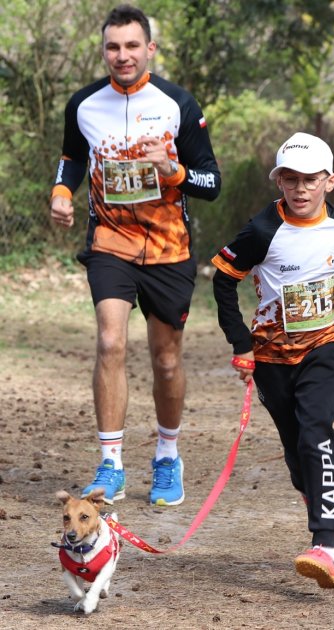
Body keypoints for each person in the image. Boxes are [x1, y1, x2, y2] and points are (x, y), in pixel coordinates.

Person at [49, 5, 221, 507]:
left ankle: (167, 456)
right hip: (110, 243)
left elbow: (210, 181)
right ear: (103, 51)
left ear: (150, 49)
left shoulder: (178, 104)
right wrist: (62, 191)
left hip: (169, 249)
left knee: (166, 360)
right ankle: (111, 465)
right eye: (112, 47)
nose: (121, 56)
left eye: (131, 46)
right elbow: (72, 158)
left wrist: (172, 169)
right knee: (109, 343)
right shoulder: (83, 104)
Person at [211, 132, 334, 588]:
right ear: (279, 182)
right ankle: (319, 498)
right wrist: (240, 343)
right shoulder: (262, 230)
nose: (301, 189)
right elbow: (222, 281)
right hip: (272, 354)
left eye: (310, 180)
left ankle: (325, 545)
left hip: (328, 342)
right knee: (295, 449)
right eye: (291, 179)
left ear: (330, 181)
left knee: (316, 429)